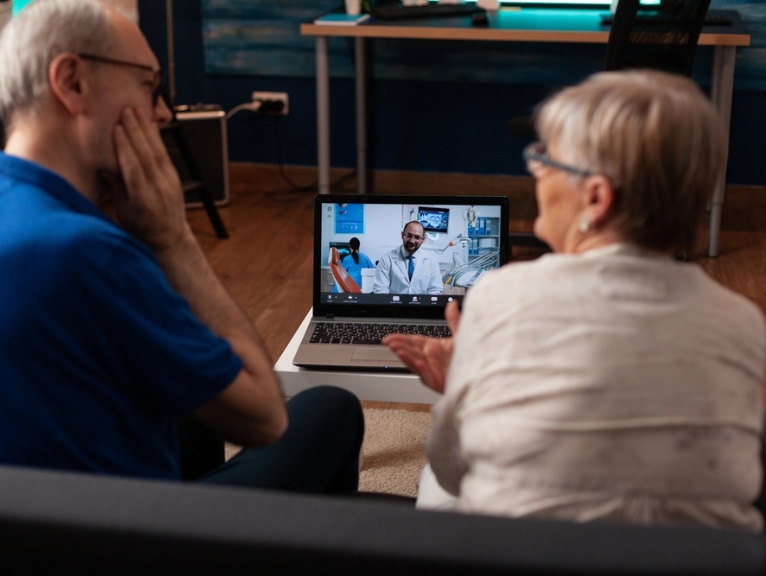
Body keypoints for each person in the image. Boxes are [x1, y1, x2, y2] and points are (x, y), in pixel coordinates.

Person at [0, 0, 363, 493]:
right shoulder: (88, 253)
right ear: (73, 82)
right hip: (123, 539)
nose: (163, 111)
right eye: (148, 85)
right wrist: (173, 239)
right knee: (329, 409)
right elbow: (265, 419)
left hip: (33, 514)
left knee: (187, 398)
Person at [384, 70, 765, 530]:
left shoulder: (503, 294)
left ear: (596, 196)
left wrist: (461, 391)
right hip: (693, 560)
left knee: (433, 480)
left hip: (515, 555)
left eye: (548, 160)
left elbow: (454, 467)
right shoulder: (745, 324)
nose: (535, 171)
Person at [373, 221, 443, 295]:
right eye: (409, 235)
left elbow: (435, 289)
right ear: (402, 235)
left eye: (417, 237)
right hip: (394, 305)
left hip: (422, 306)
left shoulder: (431, 260)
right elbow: (381, 290)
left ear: (423, 239)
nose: (412, 241)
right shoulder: (386, 259)